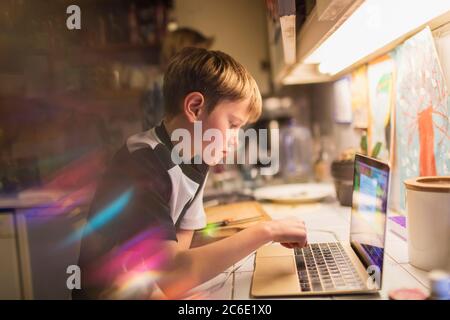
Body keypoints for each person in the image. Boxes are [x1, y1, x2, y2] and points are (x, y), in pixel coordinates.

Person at [73, 47, 307, 300]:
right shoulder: (142, 163)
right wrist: (266, 231)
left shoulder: (196, 159)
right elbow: (173, 273)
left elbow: (177, 256)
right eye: (232, 124)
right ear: (195, 108)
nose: (236, 140)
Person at [141, 27, 214, 131]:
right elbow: (164, 127)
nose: (205, 61)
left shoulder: (185, 82)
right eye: (199, 55)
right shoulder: (163, 84)